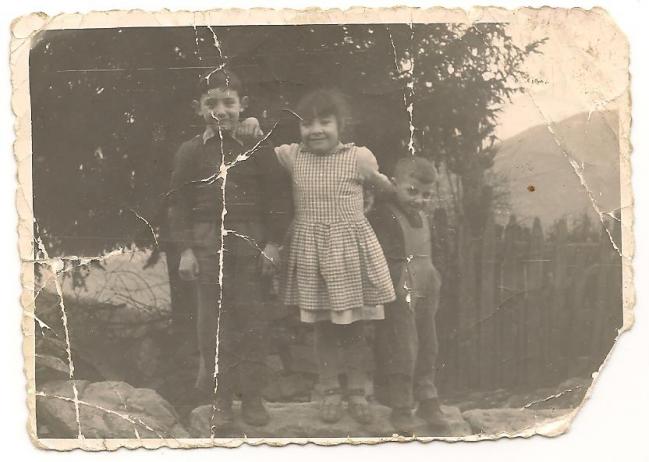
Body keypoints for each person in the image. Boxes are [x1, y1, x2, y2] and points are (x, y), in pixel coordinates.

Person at [167, 70, 290, 429]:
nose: (220, 111)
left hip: (250, 242)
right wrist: (185, 250)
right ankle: (221, 400)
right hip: (206, 243)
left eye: (228, 102)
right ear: (198, 108)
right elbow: (178, 203)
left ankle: (252, 397)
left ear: (243, 104)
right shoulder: (190, 151)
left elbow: (278, 198)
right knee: (213, 326)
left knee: (253, 321)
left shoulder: (258, 147)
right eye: (211, 103)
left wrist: (273, 244)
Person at [273, 89, 396, 424]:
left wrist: (379, 194)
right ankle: (328, 389)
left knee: (354, 326)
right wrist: (251, 124)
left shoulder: (359, 158)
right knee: (324, 328)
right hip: (312, 254)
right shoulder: (292, 156)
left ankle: (357, 390)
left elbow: (384, 187)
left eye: (324, 122)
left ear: (341, 124)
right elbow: (257, 150)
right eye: (306, 123)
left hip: (348, 253)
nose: (315, 130)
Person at [368, 156, 446, 434]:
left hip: (426, 286)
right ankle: (401, 403)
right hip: (399, 287)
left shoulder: (425, 218)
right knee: (402, 343)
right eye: (412, 191)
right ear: (394, 184)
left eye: (426, 195)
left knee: (428, 342)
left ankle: (427, 397)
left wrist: (435, 277)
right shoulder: (383, 214)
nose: (419, 200)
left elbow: (433, 250)